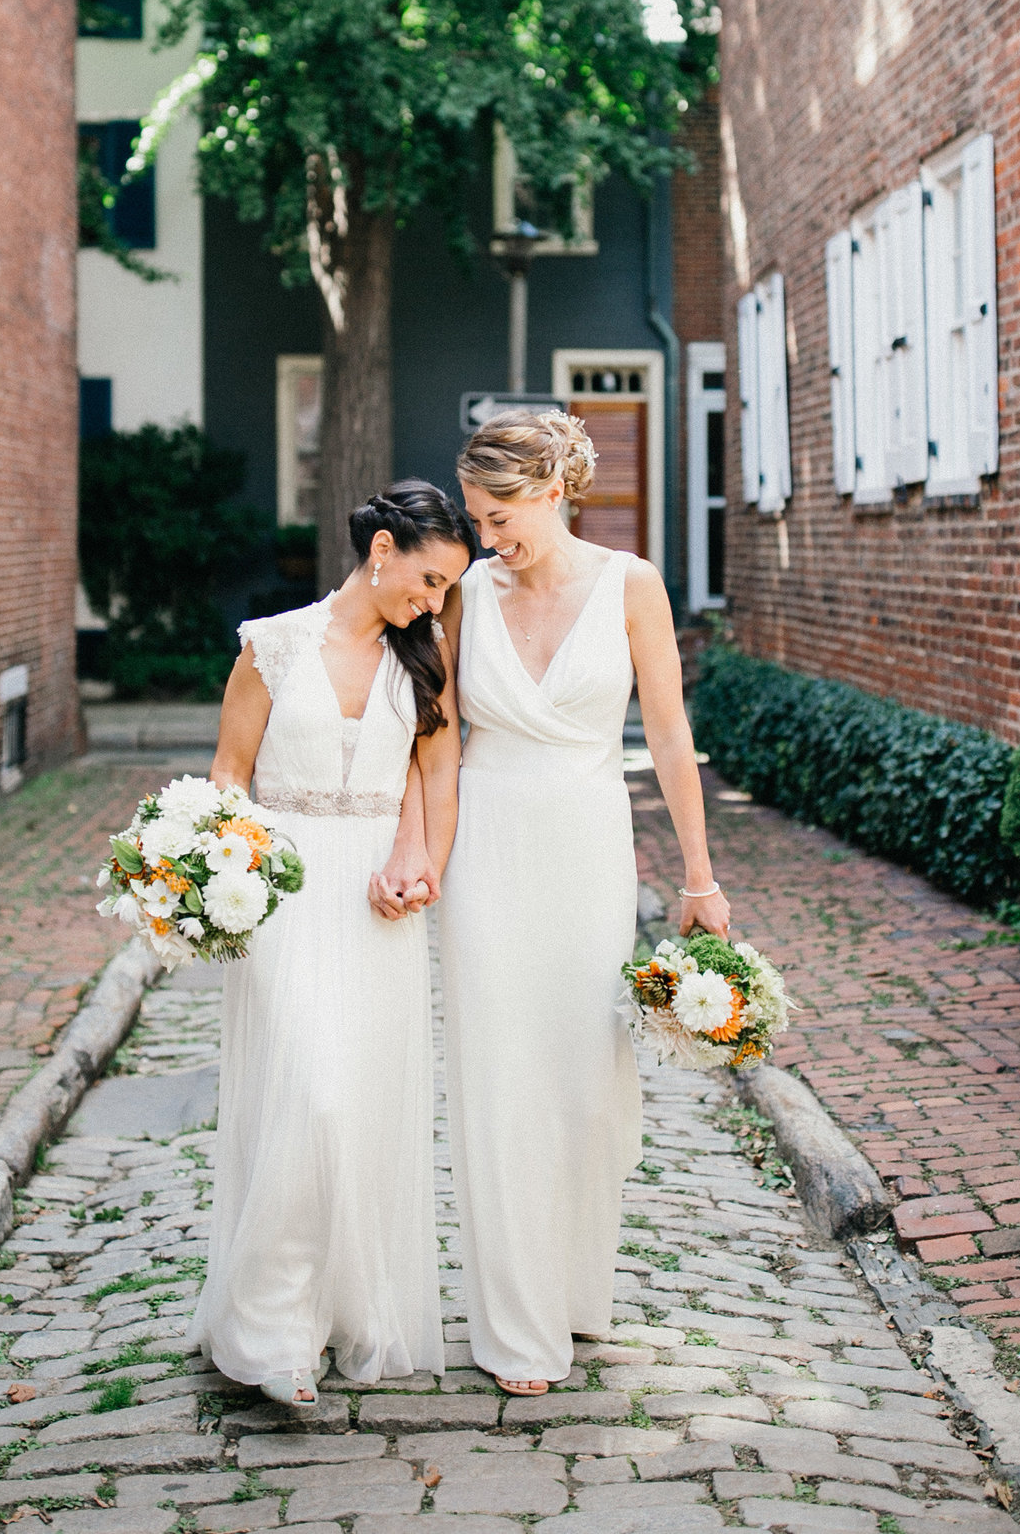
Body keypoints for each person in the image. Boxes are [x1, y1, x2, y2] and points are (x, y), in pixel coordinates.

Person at [429, 407, 728, 1396]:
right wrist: (407, 849)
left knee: (586, 1091)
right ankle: (515, 1326)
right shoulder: (466, 591)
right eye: (476, 518)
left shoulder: (630, 585)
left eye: (500, 514)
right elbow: (430, 735)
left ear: (552, 491)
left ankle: (575, 1294)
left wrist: (699, 877)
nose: (487, 537)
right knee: (500, 1082)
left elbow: (672, 736)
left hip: (591, 854)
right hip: (488, 858)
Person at [190, 479, 471, 1409]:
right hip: (286, 895)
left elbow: (435, 784)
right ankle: (270, 1328)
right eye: (428, 581)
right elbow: (230, 775)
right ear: (382, 549)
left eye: (446, 592)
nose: (432, 605)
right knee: (305, 1096)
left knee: (357, 1111)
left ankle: (333, 1306)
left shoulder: (423, 662)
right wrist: (226, 882)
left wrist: (415, 864)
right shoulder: (270, 646)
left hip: (377, 905)